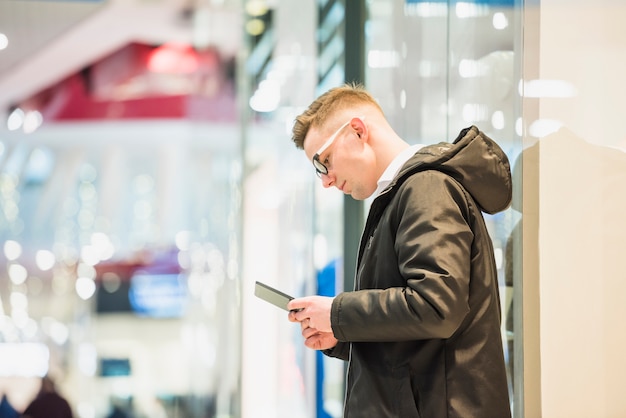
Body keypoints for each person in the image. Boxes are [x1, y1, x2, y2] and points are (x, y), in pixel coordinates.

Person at [287, 83, 512, 417]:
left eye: (324, 162)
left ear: (358, 131)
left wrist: (339, 314)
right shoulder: (403, 194)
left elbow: (436, 306)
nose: (326, 180)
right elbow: (419, 337)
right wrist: (342, 335)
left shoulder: (426, 189)